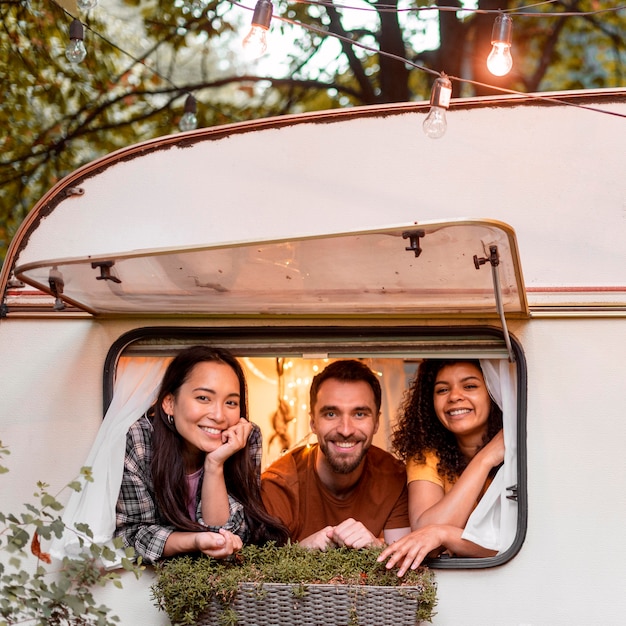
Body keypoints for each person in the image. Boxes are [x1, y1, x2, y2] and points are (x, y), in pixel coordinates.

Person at [115, 345, 289, 564]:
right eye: (203, 398)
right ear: (169, 403)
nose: (218, 415)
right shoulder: (139, 440)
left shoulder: (245, 438)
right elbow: (131, 535)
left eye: (231, 403)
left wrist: (215, 464)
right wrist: (195, 541)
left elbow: (228, 537)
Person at [260, 359, 410, 550]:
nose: (346, 430)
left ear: (376, 423)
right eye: (331, 414)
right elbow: (260, 570)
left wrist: (376, 548)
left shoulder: (395, 479)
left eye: (359, 414)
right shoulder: (278, 484)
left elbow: (403, 565)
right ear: (313, 422)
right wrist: (301, 551)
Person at [378, 359, 504, 575]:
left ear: (493, 392)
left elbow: (510, 543)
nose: (454, 396)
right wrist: (485, 459)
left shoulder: (521, 449)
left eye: (470, 386)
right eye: (442, 390)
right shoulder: (425, 455)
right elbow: (427, 537)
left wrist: (445, 535)